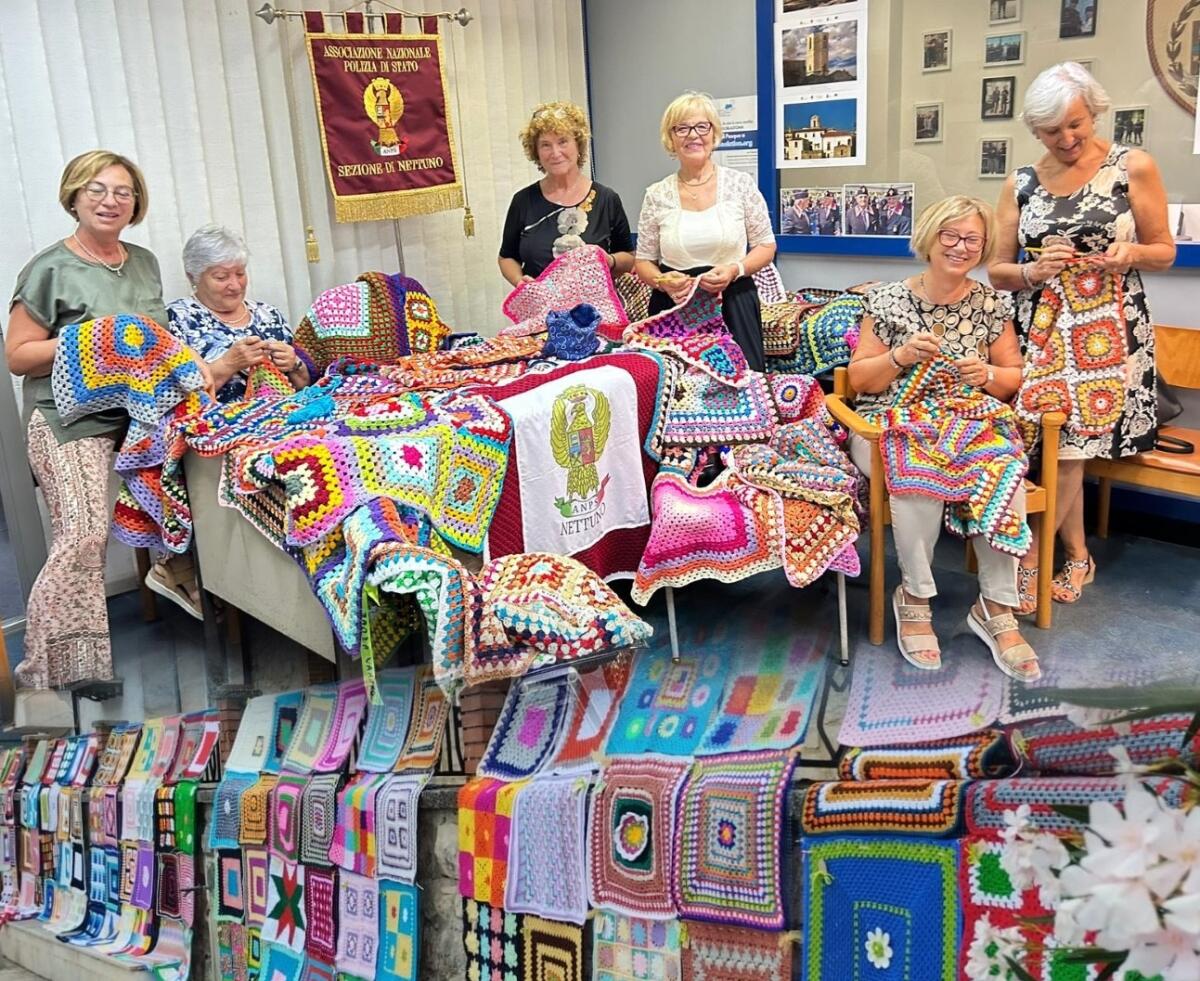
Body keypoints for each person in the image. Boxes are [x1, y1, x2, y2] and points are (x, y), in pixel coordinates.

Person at [3, 150, 206, 689]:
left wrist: (190, 365)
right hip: (67, 418)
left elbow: (155, 341)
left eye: (123, 191)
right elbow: (18, 355)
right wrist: (93, 339)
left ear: (136, 203)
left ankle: (102, 654)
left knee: (201, 482)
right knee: (83, 535)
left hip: (137, 416)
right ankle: (43, 674)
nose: (110, 200)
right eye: (97, 189)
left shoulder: (143, 261)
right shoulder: (49, 268)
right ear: (73, 195)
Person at [987, 62, 1175, 613]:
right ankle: (1076, 553)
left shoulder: (1130, 166)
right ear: (1034, 131)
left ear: (1094, 112)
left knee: (1069, 443)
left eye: (1077, 124)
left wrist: (1131, 253)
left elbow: (1164, 250)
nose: (1068, 139)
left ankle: (1033, 559)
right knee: (1054, 441)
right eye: (1053, 131)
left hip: (1108, 327)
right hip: (1039, 323)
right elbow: (998, 268)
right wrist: (1031, 271)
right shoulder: (1020, 181)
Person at [848, 196, 1040, 681]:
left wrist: (988, 374)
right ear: (929, 239)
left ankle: (996, 608)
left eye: (972, 239)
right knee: (917, 475)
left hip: (966, 422)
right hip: (889, 423)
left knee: (1004, 470)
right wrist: (901, 357)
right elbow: (860, 382)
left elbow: (1012, 377)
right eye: (949, 236)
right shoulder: (886, 299)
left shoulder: (991, 303)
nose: (959, 247)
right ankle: (913, 595)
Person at [635, 90, 777, 371]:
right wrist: (663, 281)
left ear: (714, 134)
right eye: (682, 128)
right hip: (674, 307)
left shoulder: (740, 184)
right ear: (670, 138)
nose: (693, 135)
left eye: (702, 126)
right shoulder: (657, 194)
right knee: (677, 396)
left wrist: (735, 269)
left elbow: (766, 246)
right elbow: (643, 261)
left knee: (742, 391)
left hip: (734, 301)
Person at [498, 101, 634, 285]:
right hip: (540, 309)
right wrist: (519, 281)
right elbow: (506, 257)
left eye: (563, 141)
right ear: (536, 152)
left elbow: (629, 257)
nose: (555, 152)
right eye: (545, 145)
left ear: (578, 145)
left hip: (594, 311)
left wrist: (609, 260)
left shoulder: (607, 199)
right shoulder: (522, 201)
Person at [167, 225, 305, 404]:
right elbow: (175, 398)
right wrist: (228, 364)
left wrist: (294, 364)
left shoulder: (269, 315)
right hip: (217, 426)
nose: (235, 285)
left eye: (240, 273)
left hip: (285, 419)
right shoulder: (176, 320)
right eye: (221, 277)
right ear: (193, 277)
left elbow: (305, 385)